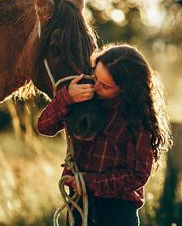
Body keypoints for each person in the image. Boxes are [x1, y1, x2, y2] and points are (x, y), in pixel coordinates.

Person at [37, 43, 172, 226]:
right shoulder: (85, 100)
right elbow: (44, 126)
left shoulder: (138, 119)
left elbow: (138, 174)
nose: (96, 87)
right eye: (95, 77)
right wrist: (67, 97)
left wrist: (89, 183)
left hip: (117, 212)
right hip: (79, 203)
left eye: (106, 86)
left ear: (126, 89)